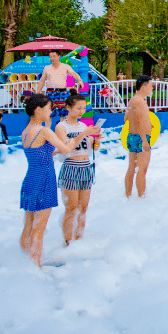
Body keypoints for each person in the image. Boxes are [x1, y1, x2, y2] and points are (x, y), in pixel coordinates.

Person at [19, 94, 101, 268]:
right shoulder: (43, 131)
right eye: (49, 108)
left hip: (30, 179)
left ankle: (23, 263)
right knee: (39, 228)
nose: (51, 112)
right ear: (38, 110)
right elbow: (66, 148)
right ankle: (35, 267)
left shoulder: (26, 131)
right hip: (43, 180)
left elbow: (44, 153)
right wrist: (84, 134)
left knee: (28, 225)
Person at [56, 93, 102, 246]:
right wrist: (84, 134)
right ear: (68, 107)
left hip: (86, 167)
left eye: (84, 108)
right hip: (71, 168)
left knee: (83, 207)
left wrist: (96, 141)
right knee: (71, 206)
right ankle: (68, 241)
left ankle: (79, 240)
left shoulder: (82, 126)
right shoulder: (61, 127)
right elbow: (65, 148)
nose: (82, 111)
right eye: (78, 108)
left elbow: (89, 149)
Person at [124, 75, 155, 198]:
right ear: (144, 86)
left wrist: (148, 124)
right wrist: (144, 140)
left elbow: (126, 118)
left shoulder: (133, 99)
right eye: (151, 86)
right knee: (142, 169)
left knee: (132, 167)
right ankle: (141, 198)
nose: (152, 89)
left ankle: (128, 195)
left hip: (131, 136)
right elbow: (141, 121)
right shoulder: (141, 102)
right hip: (141, 138)